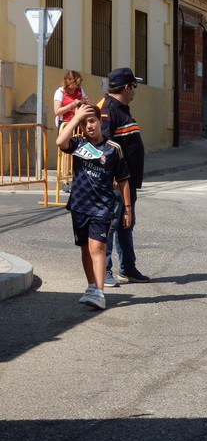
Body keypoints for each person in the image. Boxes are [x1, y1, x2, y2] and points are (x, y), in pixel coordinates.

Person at [56, 104, 132, 310]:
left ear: (100, 121)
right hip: (79, 205)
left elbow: (123, 180)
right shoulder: (78, 143)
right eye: (84, 123)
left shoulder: (113, 148)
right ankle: (91, 286)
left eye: (92, 121)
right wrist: (75, 118)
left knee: (97, 248)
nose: (89, 126)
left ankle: (99, 292)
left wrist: (127, 208)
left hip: (102, 207)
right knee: (85, 248)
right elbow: (60, 142)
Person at [98, 67, 150, 284]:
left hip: (128, 181)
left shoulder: (122, 109)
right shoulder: (109, 110)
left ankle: (128, 267)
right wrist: (112, 175)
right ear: (127, 87)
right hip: (116, 182)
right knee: (110, 226)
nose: (135, 90)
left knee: (126, 224)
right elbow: (104, 144)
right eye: (134, 86)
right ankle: (104, 271)